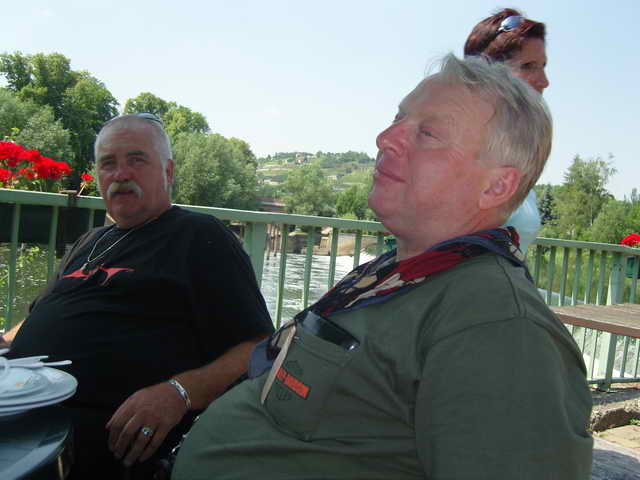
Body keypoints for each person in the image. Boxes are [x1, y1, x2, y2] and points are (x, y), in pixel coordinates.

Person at [171, 54, 593, 479]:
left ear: (497, 185)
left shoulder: (498, 325)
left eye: (427, 133)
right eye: (398, 118)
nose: (384, 137)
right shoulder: (397, 275)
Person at [7, 113, 275, 479]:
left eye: (136, 160)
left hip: (99, 440)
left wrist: (179, 392)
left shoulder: (199, 236)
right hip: (22, 412)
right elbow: (41, 315)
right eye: (108, 163)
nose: (120, 174)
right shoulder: (89, 241)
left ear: (168, 172)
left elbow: (259, 346)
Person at [465, 8, 550, 253]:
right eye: (529, 66)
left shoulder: (517, 150)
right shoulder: (454, 144)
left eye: (543, 66)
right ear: (486, 71)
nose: (544, 81)